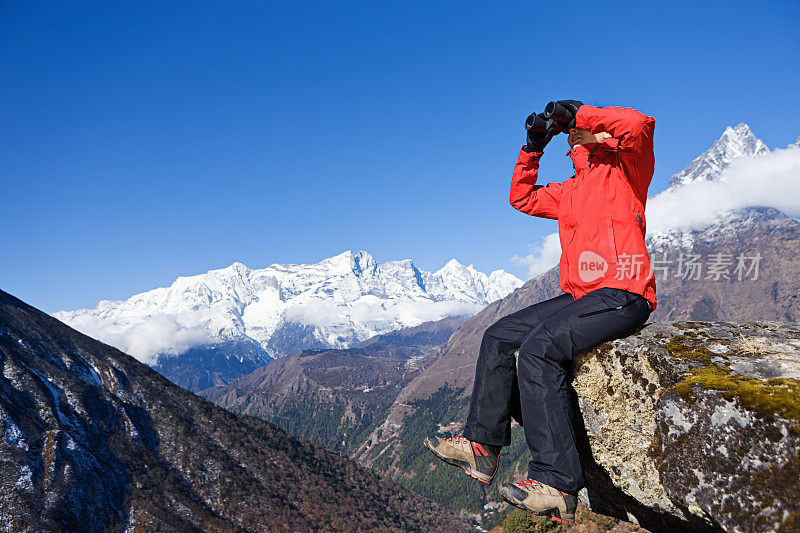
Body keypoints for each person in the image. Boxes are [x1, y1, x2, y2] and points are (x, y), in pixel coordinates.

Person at [424, 100, 657, 524]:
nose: (571, 137)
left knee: (538, 349)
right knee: (499, 336)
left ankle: (558, 482)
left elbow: (640, 123)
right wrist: (532, 148)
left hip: (623, 291)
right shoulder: (569, 189)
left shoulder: (625, 169)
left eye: (573, 133)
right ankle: (482, 447)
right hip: (581, 295)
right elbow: (522, 197)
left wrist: (581, 112)